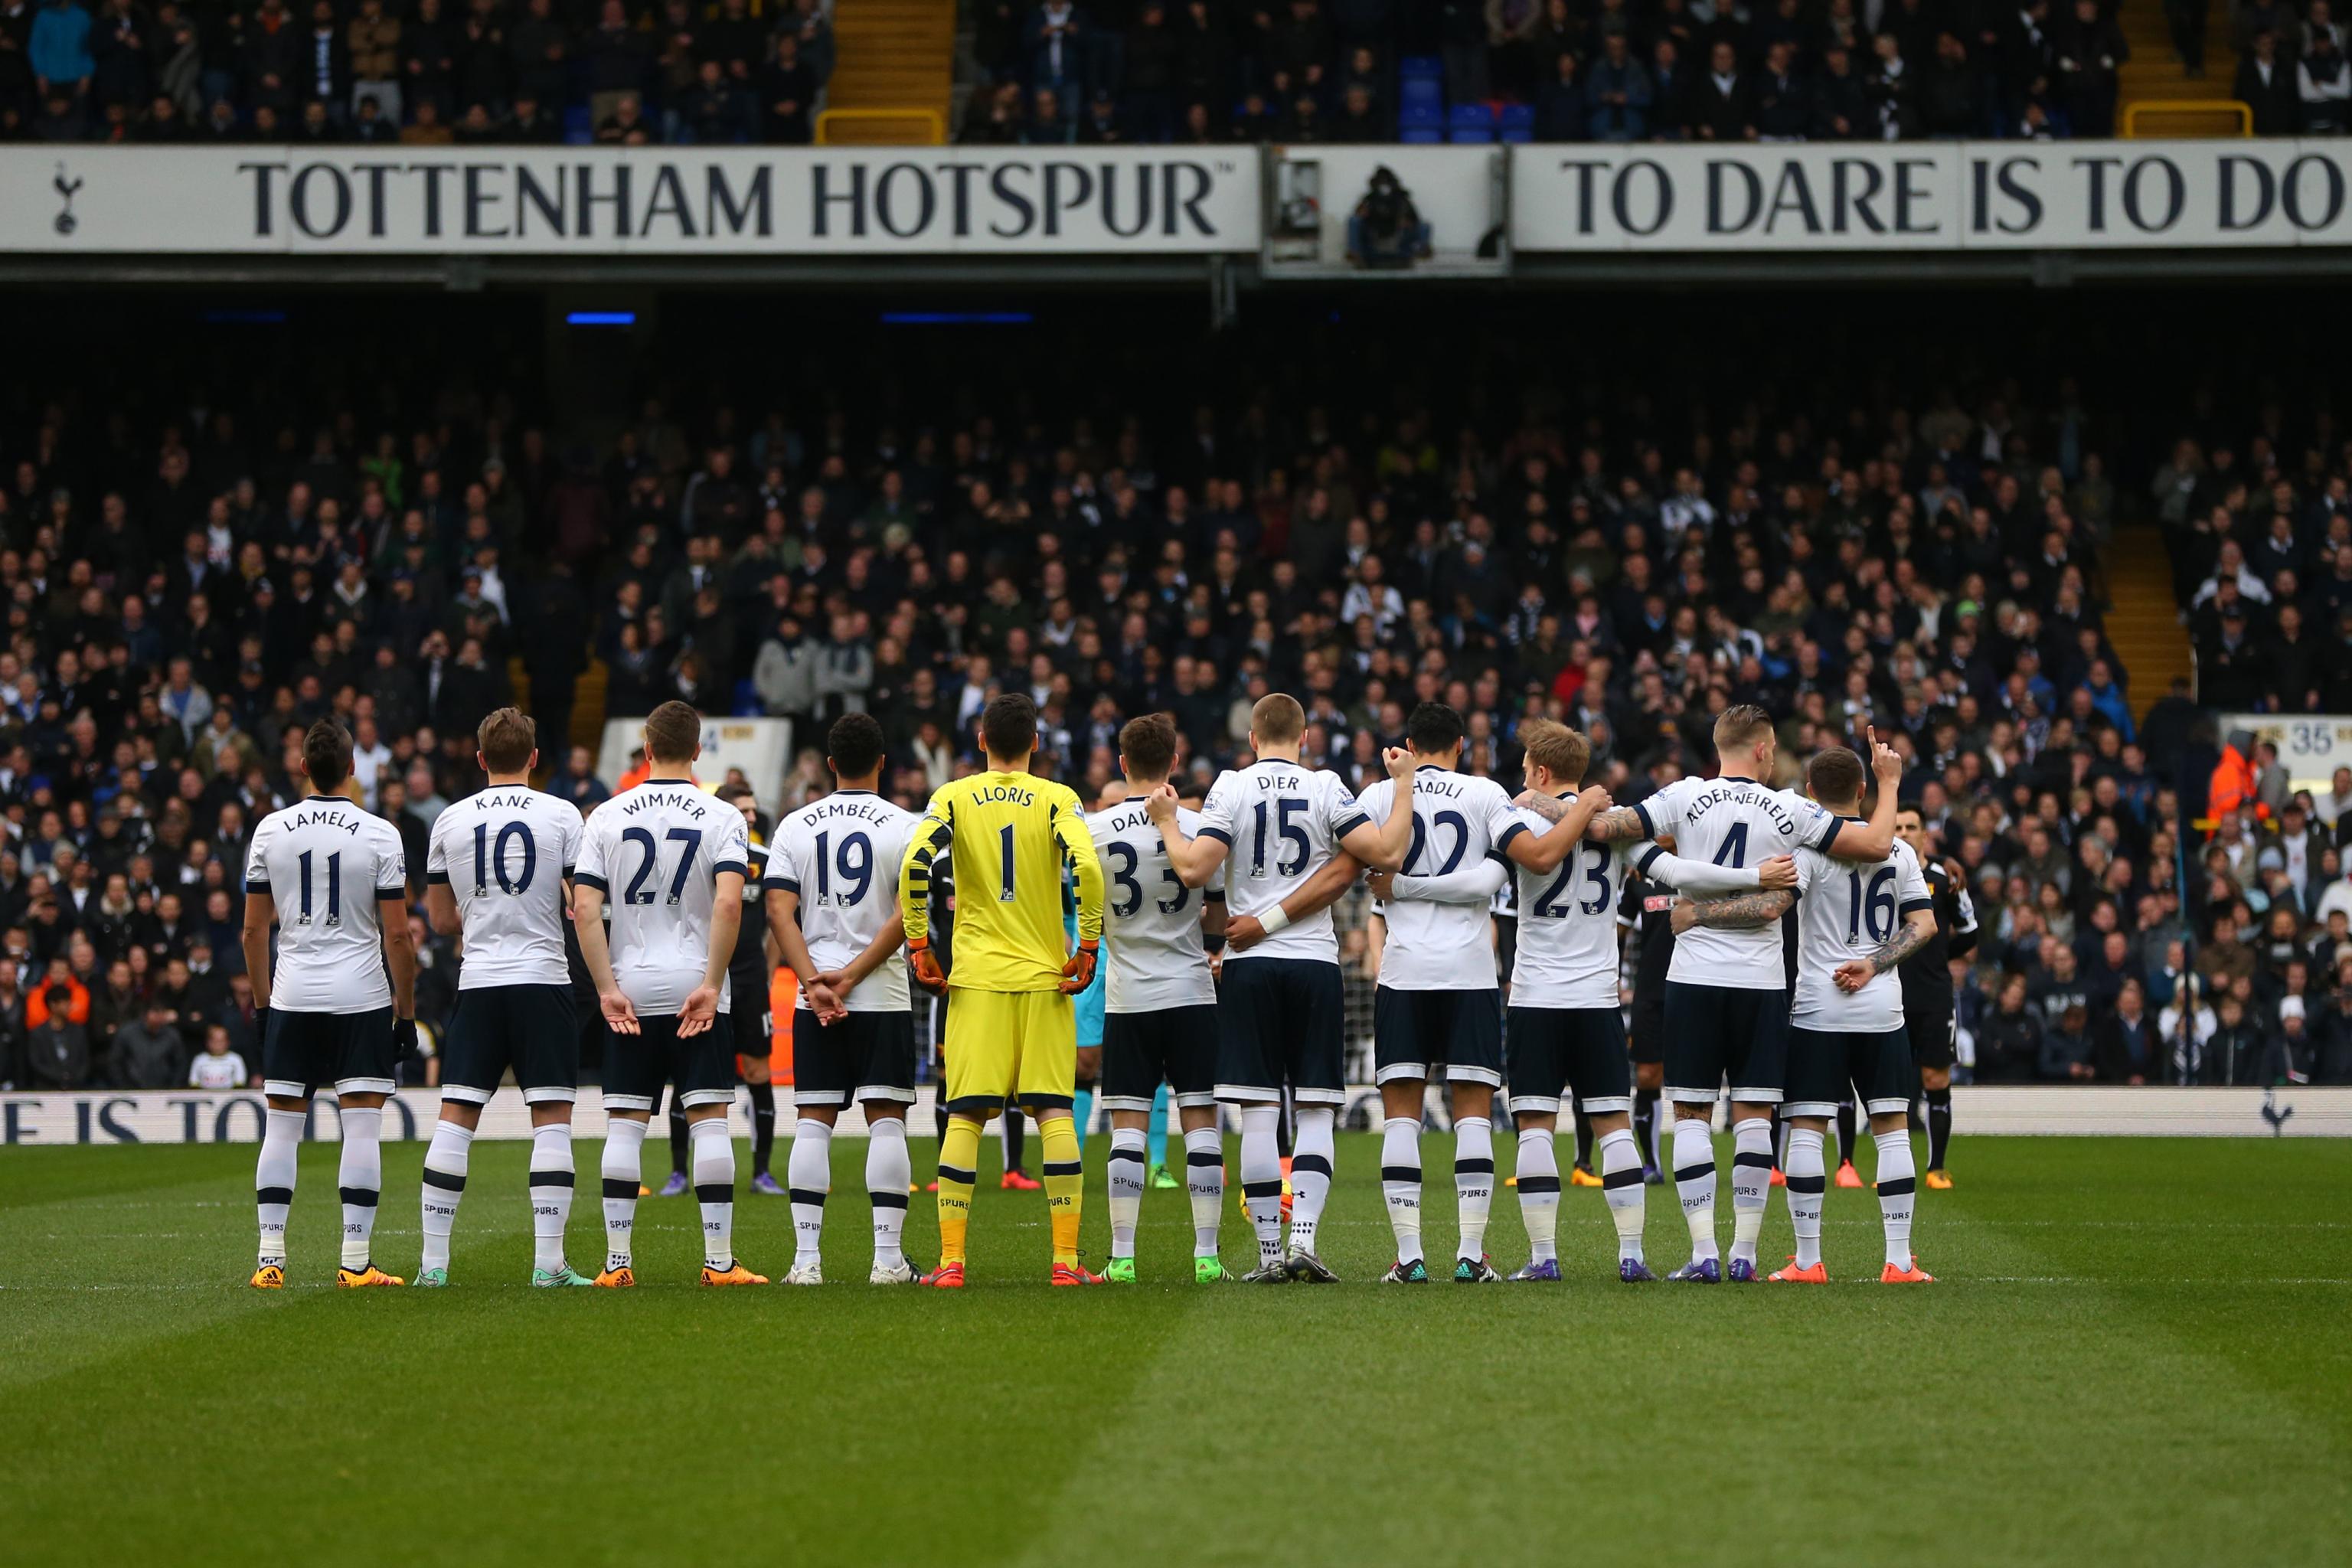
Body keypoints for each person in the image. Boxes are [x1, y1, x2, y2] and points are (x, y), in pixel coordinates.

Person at [1585, 706, 1900, 1282]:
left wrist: (1641, 853)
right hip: (1759, 982)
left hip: (1694, 978)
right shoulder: (1790, 808)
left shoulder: (1682, 795)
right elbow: (1879, 845)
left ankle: (1704, 1252)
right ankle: (1745, 1256)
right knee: (1755, 1116)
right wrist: (1890, 781)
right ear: (1762, 750)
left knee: (1691, 1116)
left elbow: (1606, 829)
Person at [1486, 720, 1788, 1282]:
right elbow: (1678, 872)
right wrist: (1754, 874)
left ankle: (1543, 1259)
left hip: (1534, 995)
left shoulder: (1518, 818)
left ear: (1541, 771)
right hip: (1599, 1000)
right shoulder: (1617, 834)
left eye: (1526, 768)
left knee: (1533, 1125)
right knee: (1614, 1127)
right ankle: (1632, 1255)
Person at [1148, 692, 1417, 1283]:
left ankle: (1269, 1254)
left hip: (1251, 962)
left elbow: (1194, 869)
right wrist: (1402, 786)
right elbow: (1384, 853)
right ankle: (1304, 1242)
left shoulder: (1230, 786)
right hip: (1314, 962)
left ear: (1251, 739)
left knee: (1260, 1112)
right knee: (1318, 1108)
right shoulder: (1326, 787)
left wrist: (1168, 822)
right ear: (1303, 739)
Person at [1354, 701, 1617, 1285]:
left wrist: (1403, 886)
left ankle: (1409, 1258)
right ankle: (1471, 1256)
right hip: (1471, 972)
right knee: (1473, 1115)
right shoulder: (1485, 795)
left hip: (1403, 972)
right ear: (1459, 746)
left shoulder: (1378, 797)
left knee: (1402, 1116)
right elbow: (1493, 878)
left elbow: (1361, 871)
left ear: (1411, 742)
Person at [1680, 746, 1937, 1284]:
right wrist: (1873, 963)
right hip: (1883, 1008)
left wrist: (1697, 912)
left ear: (1813, 796)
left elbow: (1770, 906)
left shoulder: (1808, 849)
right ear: (1864, 790)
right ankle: (1900, 1262)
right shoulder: (1902, 854)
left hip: (1818, 1007)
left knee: (1806, 1131)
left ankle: (1807, 1261)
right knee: (1891, 1129)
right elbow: (1925, 926)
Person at [897, 692, 1106, 1288]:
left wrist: (918, 943)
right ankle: (1065, 1263)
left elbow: (916, 864)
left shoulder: (953, 796)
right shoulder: (1058, 798)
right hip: (1045, 978)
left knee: (964, 1119)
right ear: (1036, 744)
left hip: (978, 980)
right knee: (1055, 1114)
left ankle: (952, 1263)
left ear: (981, 742)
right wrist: (1086, 943)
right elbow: (1087, 869)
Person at [573, 701, 762, 1288]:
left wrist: (606, 989)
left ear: (647, 749)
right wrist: (710, 985)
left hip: (629, 982)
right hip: (694, 984)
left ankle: (617, 1265)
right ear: (699, 751)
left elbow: (583, 907)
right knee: (707, 1119)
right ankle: (719, 1263)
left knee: (625, 1124)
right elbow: (729, 903)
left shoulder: (605, 815)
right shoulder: (724, 814)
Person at [415, 708, 593, 1288]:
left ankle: (433, 1266)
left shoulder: (450, 819)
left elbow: (441, 920)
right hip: (544, 977)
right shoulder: (562, 814)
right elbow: (579, 900)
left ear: (480, 758)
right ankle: (548, 1265)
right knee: (552, 1120)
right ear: (536, 758)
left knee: (456, 1119)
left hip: (481, 979)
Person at [240, 718, 416, 1289]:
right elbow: (397, 937)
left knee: (282, 1127)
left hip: (293, 995)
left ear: (302, 769)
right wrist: (406, 1012)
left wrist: (264, 1007)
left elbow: (252, 932)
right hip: (360, 996)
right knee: (361, 1127)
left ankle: (270, 1261)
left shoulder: (271, 830)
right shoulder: (380, 834)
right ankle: (355, 1261)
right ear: (352, 768)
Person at [765, 714, 922, 1285]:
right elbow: (911, 914)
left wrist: (814, 983)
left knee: (813, 1121)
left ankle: (806, 1264)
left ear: (830, 764)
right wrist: (854, 976)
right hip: (879, 988)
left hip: (817, 995)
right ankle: (887, 1262)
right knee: (887, 1123)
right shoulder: (907, 825)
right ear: (884, 763)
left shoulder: (795, 825)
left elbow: (778, 911)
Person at [1084, 715, 1230, 1283]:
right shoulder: (1197, 824)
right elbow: (1216, 903)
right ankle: (1207, 1257)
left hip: (1128, 996)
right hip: (1192, 991)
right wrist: (1212, 943)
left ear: (1122, 764)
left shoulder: (1093, 830)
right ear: (1173, 762)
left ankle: (1122, 1256)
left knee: (1126, 1129)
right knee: (1200, 1124)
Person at [1895, 805, 1977, 1190]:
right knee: (1892, 1085)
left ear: (1924, 835)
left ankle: (1937, 1167)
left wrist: (1940, 955)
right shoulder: (1880, 874)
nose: (1905, 832)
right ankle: (1896, 1170)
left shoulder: (1946, 880)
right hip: (1889, 992)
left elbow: (1971, 931)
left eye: (1912, 827)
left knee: (1935, 1077)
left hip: (1933, 994)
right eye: (1897, 827)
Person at [715, 782, 781, 1197]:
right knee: (700, 1074)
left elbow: (778, 920)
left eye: (754, 810)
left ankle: (761, 1171)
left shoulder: (765, 861)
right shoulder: (706, 860)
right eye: (743, 810)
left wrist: (769, 970)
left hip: (751, 979)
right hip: (711, 981)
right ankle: (679, 1173)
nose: (752, 817)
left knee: (758, 1071)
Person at [189, 1022, 250, 1089]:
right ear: (207, 1042)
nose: (218, 1044)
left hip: (230, 1097)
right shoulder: (199, 1060)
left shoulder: (236, 1060)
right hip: (204, 1098)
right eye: (214, 1041)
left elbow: (239, 1085)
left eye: (221, 1041)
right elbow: (194, 1085)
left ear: (228, 1042)